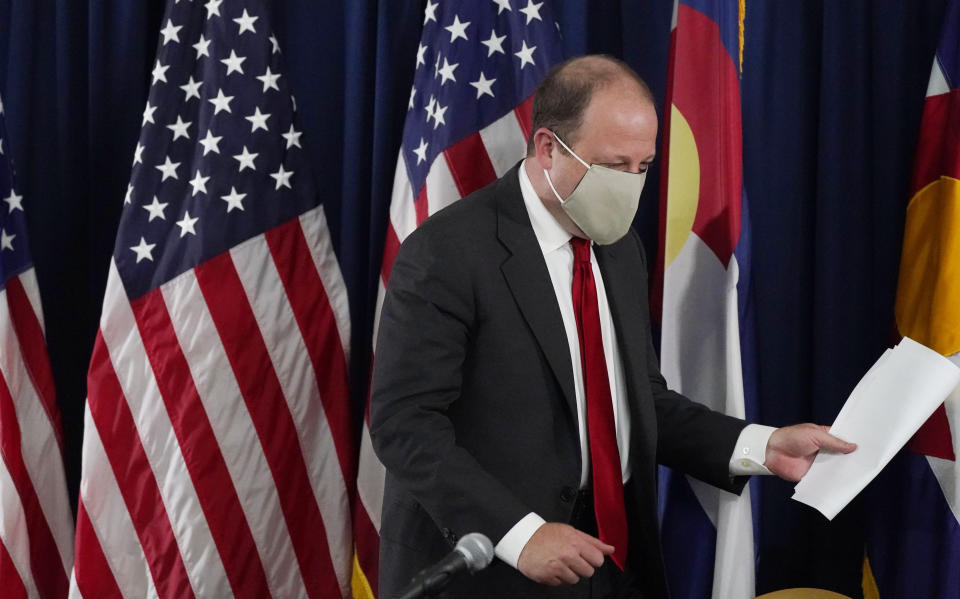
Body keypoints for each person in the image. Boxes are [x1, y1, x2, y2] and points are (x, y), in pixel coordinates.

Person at [370, 55, 855, 599]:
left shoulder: (619, 246)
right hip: (494, 569)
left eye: (643, 167)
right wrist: (520, 534)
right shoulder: (449, 252)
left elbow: (636, 400)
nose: (630, 185)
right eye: (613, 166)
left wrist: (763, 446)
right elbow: (404, 424)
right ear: (549, 148)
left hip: (614, 558)